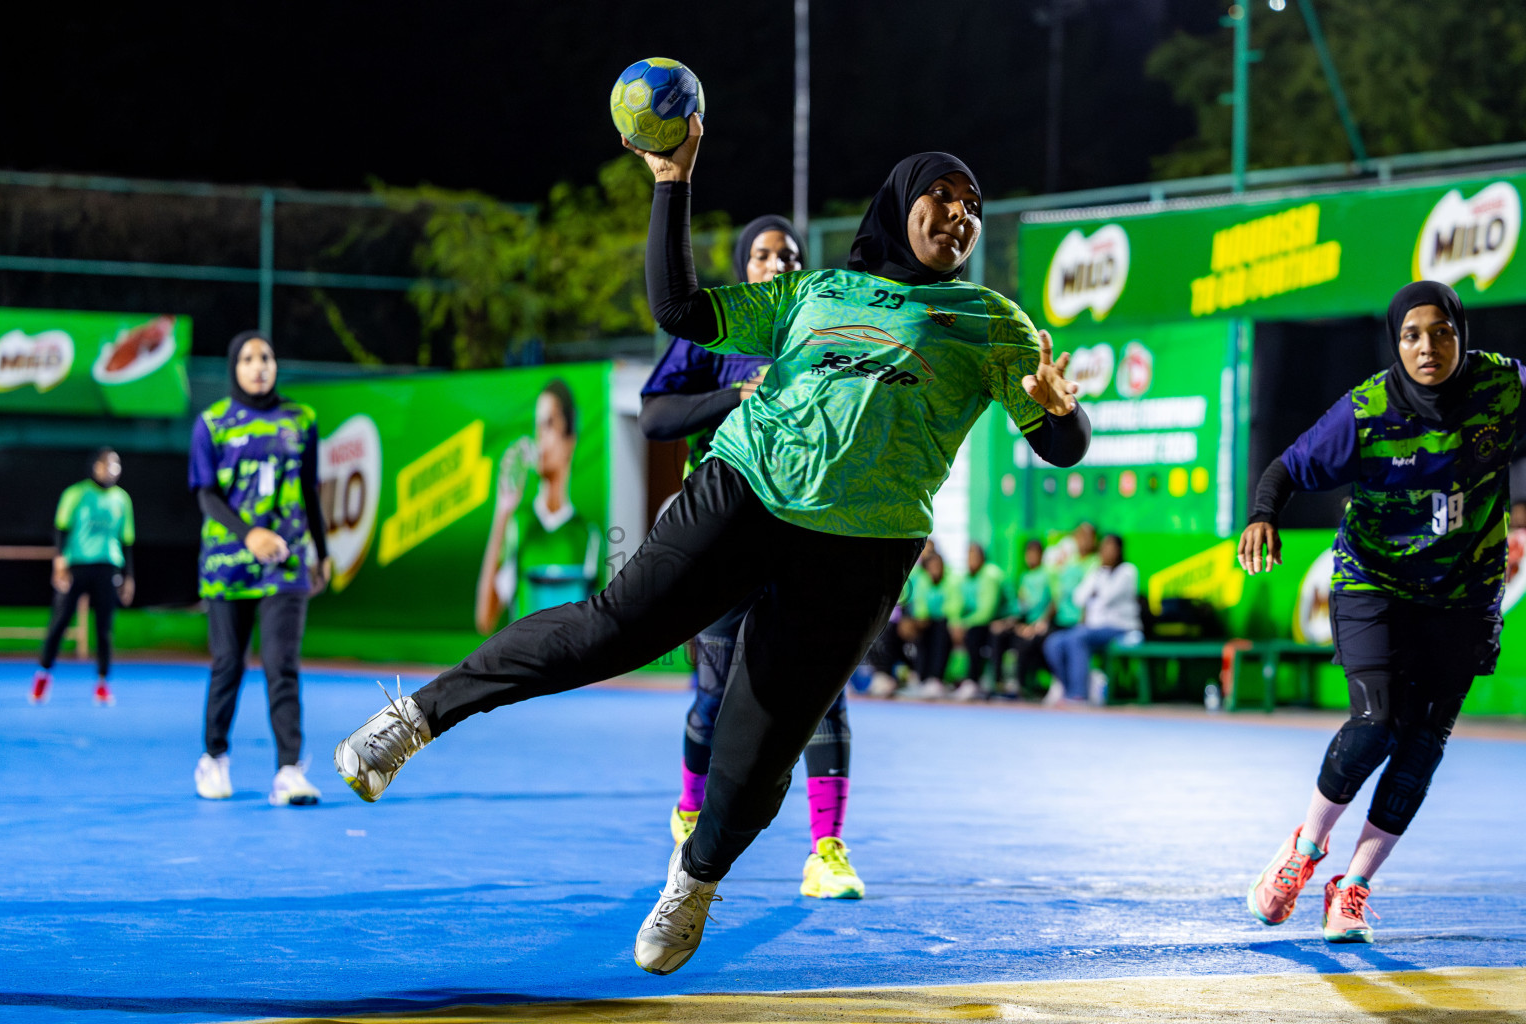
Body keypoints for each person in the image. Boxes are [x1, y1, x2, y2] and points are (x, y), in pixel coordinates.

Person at [333, 114, 1090, 975]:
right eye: (942, 196)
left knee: (758, 752)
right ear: (901, 203)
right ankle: (418, 716)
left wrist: (1062, 411)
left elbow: (1062, 445)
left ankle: (693, 882)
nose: (959, 215)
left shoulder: (993, 323)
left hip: (861, 549)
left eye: (974, 206)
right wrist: (672, 180)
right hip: (743, 494)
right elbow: (679, 309)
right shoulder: (812, 294)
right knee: (608, 631)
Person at [1241, 281, 1521, 944]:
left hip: (1466, 593)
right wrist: (1262, 517)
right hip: (1376, 583)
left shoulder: (1504, 388)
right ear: (1397, 344)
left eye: (1442, 331)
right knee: (1378, 722)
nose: (1429, 346)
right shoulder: (1367, 411)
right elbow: (1284, 469)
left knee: (1424, 744)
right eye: (1412, 335)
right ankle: (1305, 851)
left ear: (1462, 333)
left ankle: (1354, 888)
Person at [640, 215, 864, 900]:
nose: (778, 263)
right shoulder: (714, 333)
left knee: (824, 698)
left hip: (810, 539)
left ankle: (826, 851)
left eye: (789, 255)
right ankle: (689, 818)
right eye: (764, 255)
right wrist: (730, 398)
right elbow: (654, 418)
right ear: (745, 267)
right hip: (726, 539)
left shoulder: (825, 341)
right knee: (711, 696)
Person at [189, 331, 330, 807]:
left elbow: (310, 491)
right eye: (248, 358)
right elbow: (206, 493)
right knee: (228, 664)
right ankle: (214, 758)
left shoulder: (301, 419)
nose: (258, 365)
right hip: (227, 565)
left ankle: (289, 771)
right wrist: (247, 534)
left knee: (281, 666)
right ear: (234, 367)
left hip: (286, 565)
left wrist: (323, 552)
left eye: (266, 356)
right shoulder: (212, 424)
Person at [475, 379, 603, 635]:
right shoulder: (519, 524)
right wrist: (502, 513)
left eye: (549, 425)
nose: (540, 440)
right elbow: (485, 619)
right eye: (537, 428)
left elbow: (597, 628)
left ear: (570, 440)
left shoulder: (588, 536)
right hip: (522, 666)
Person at [30, 448, 135, 705]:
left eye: (117, 465)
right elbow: (61, 529)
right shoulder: (76, 494)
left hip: (108, 567)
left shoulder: (122, 499)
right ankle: (43, 675)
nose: (113, 469)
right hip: (77, 565)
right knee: (59, 622)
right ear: (96, 466)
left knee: (104, 629)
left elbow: (127, 540)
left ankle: (102, 683)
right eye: (108, 464)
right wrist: (60, 562)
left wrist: (129, 576)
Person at [1042, 533, 1141, 703]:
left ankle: (1079, 694)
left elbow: (1108, 596)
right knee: (1054, 643)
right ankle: (1068, 689)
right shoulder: (1097, 571)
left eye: (1111, 547)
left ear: (1119, 550)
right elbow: (1078, 598)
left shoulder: (1128, 571)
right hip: (1093, 628)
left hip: (1119, 627)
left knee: (1077, 638)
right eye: (1104, 547)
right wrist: (1097, 578)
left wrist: (1096, 588)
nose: (1106, 551)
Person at [1041, 522, 1099, 703]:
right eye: (1080, 536)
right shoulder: (1067, 563)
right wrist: (1043, 620)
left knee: (1074, 640)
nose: (1083, 541)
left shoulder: (1096, 563)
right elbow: (1057, 593)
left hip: (1083, 621)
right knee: (1046, 642)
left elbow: (1090, 597)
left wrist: (1083, 619)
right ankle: (1062, 682)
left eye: (1088, 536)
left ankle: (1079, 689)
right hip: (1062, 619)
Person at [997, 537, 1055, 697]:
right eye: (1029, 553)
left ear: (1042, 554)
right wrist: (1010, 623)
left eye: (1035, 553)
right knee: (999, 634)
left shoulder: (1048, 574)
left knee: (1026, 642)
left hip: (1041, 625)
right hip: (1025, 624)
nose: (1031, 556)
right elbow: (1021, 606)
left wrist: (1038, 624)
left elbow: (1054, 602)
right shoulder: (1024, 577)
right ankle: (998, 684)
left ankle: (1021, 685)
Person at [949, 541, 1007, 700]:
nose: (971, 559)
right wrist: (955, 623)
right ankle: (935, 679)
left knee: (974, 633)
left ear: (983, 557)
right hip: (974, 622)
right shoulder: (965, 578)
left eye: (974, 555)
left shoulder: (991, 574)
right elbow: (956, 604)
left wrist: (964, 624)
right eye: (968, 555)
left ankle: (973, 681)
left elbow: (987, 612)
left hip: (1000, 621)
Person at [903, 551, 955, 697]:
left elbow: (953, 606)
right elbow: (920, 606)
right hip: (927, 622)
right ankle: (921, 677)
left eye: (938, 565)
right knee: (920, 631)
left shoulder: (951, 581)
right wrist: (922, 619)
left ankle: (936, 678)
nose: (935, 568)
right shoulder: (923, 582)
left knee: (940, 630)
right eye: (932, 565)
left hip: (946, 623)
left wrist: (937, 615)